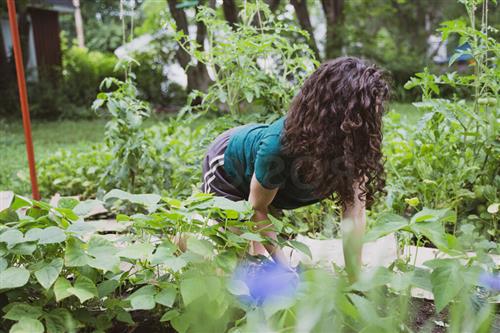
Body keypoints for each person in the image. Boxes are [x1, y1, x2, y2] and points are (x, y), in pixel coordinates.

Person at [201, 57, 389, 282]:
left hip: (265, 183)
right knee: (240, 264)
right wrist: (285, 268)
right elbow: (257, 208)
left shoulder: (353, 145)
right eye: (363, 113)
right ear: (336, 114)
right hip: (227, 167)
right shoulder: (278, 147)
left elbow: (354, 213)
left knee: (259, 256)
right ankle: (182, 241)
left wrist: (355, 281)